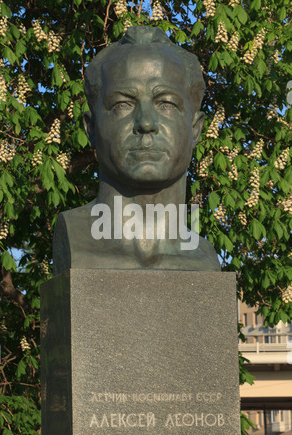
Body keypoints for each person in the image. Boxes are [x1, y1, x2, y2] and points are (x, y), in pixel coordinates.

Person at [53, 26, 220, 274]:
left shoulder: (205, 260)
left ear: (195, 129)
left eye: (166, 104)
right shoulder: (75, 241)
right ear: (92, 128)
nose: (146, 123)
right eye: (122, 104)